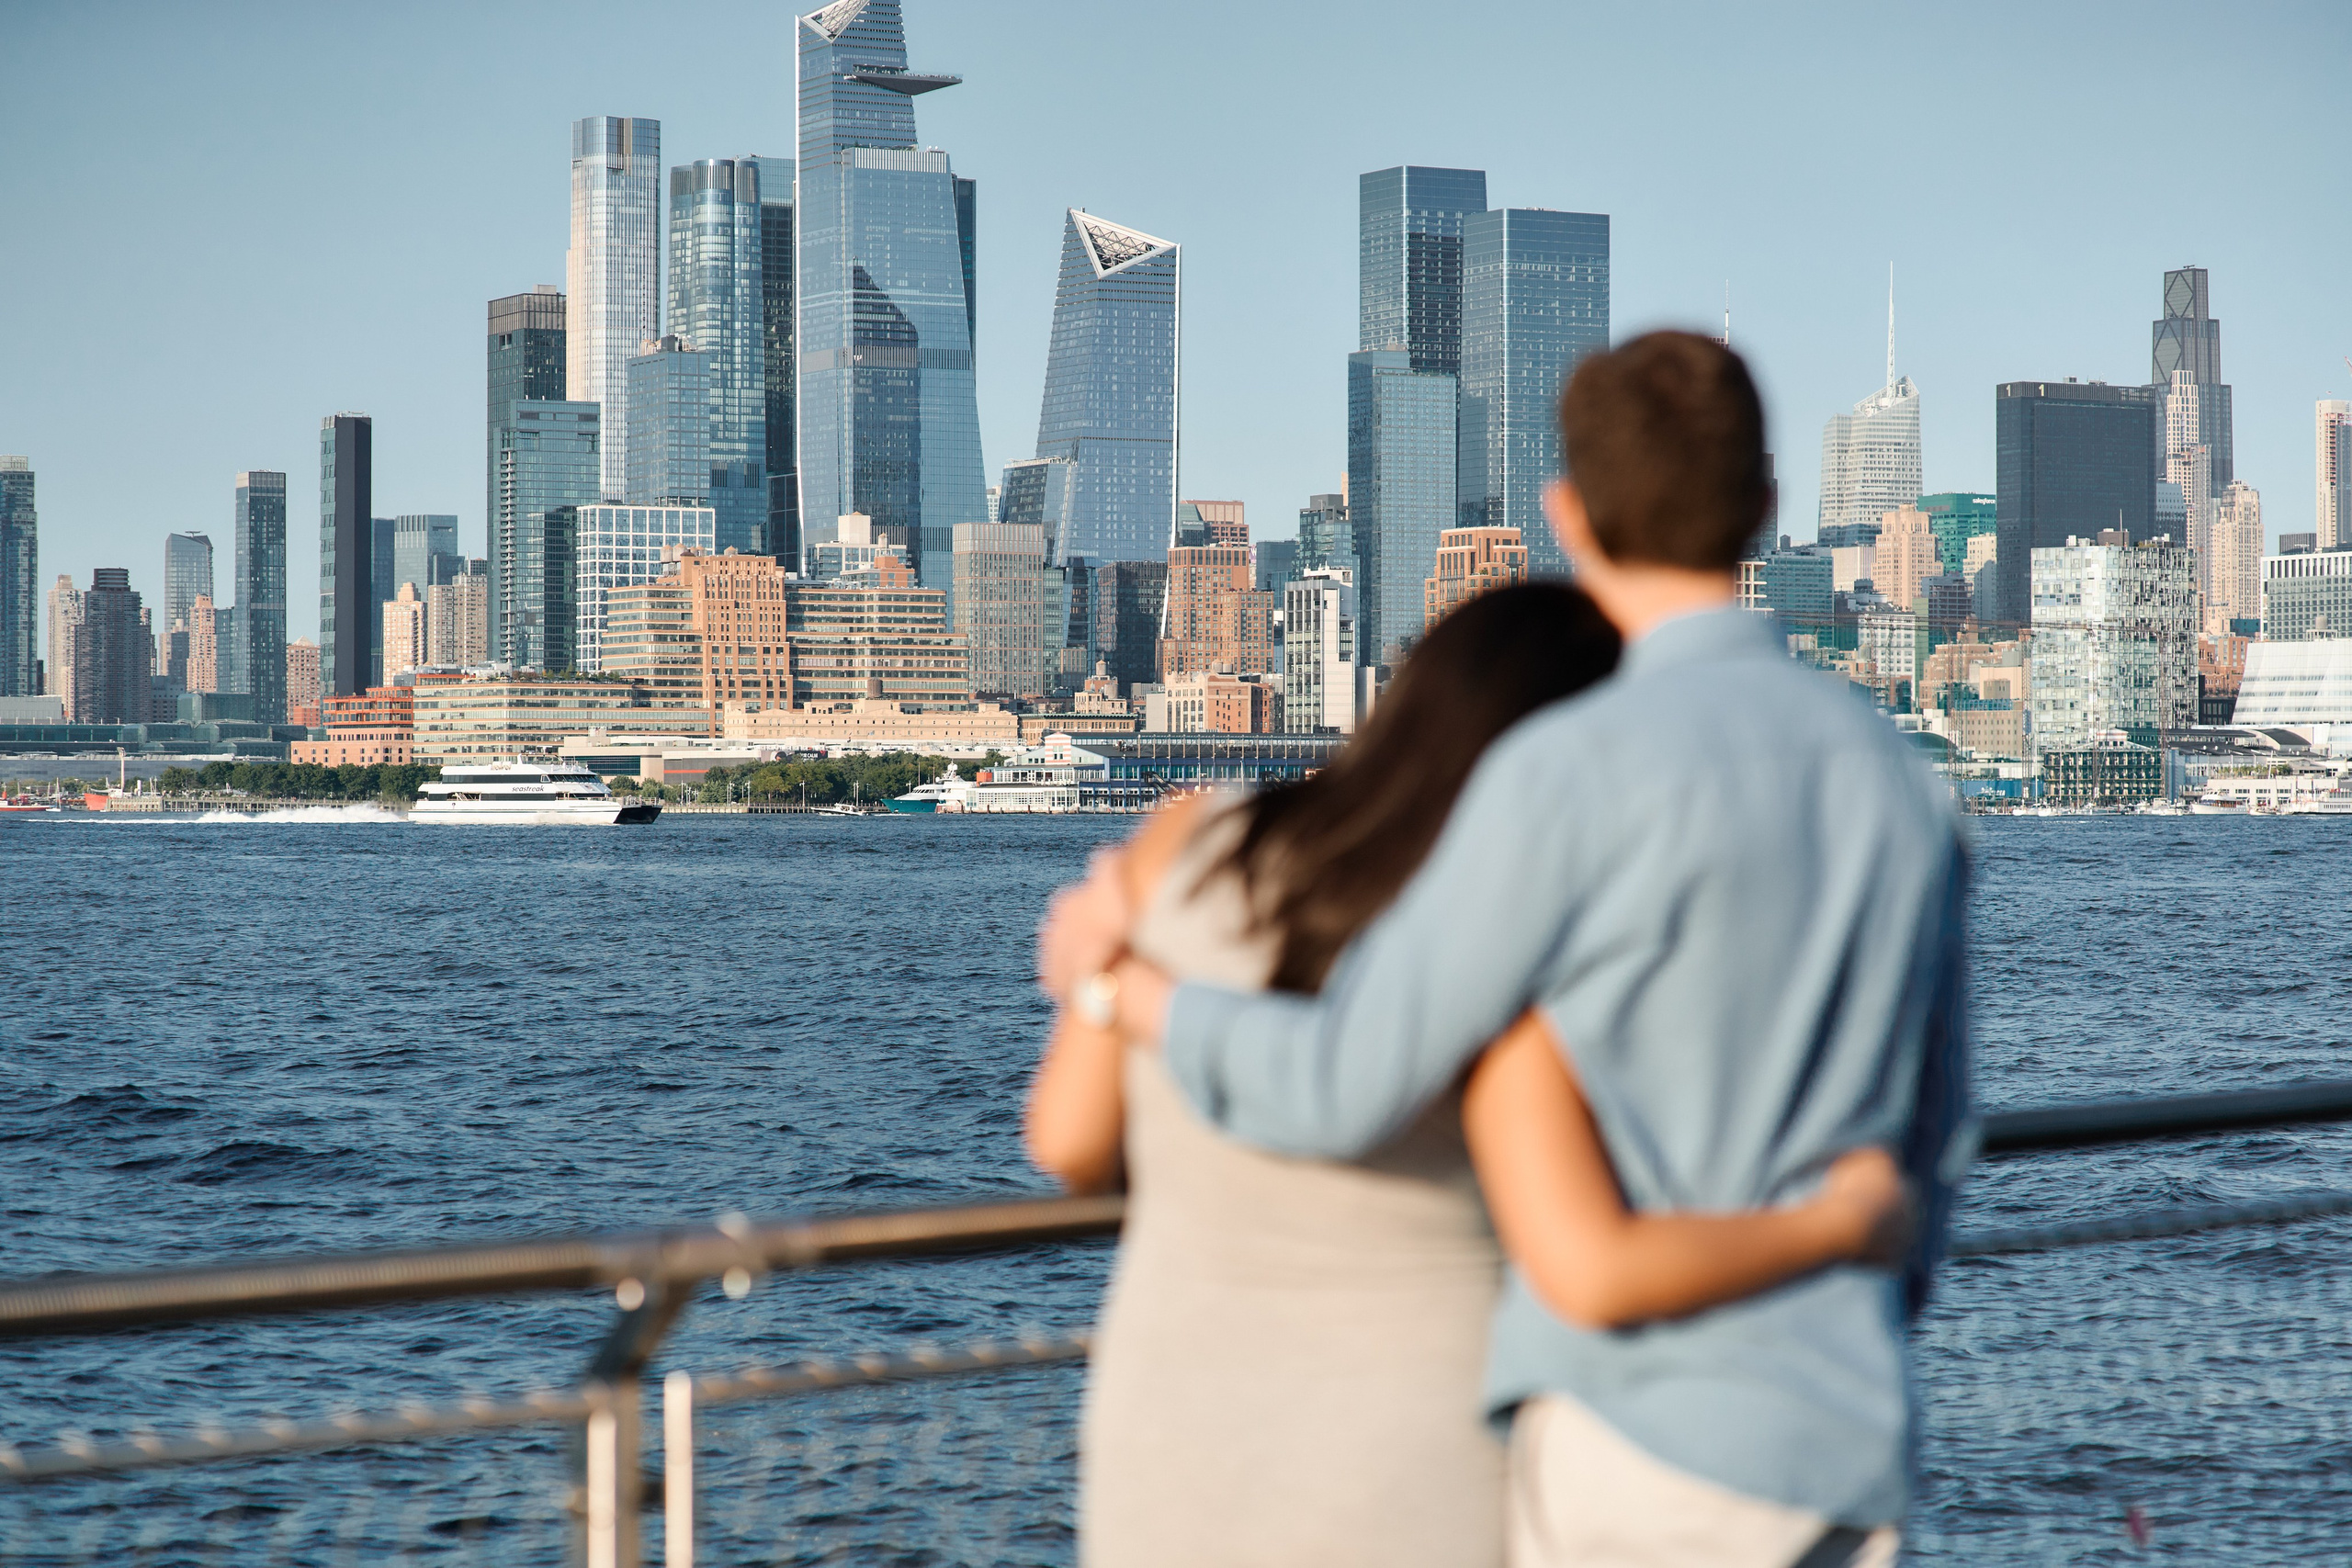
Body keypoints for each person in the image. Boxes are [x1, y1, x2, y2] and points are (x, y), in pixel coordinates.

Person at [1042, 331, 1969, 1568]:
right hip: (1845, 1446)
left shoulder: (1564, 773)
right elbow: (1933, 1149)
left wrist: (1135, 997)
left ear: (1569, 516)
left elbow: (1345, 1083)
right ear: (1765, 508)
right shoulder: (1905, 788)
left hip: (1630, 1443)